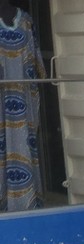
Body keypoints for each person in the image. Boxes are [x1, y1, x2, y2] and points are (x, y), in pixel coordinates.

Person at [0, 0, 46, 212]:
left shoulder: (26, 21)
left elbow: (37, 64)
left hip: (23, 102)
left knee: (23, 147)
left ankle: (26, 205)